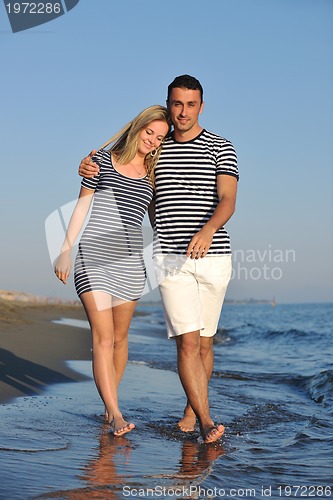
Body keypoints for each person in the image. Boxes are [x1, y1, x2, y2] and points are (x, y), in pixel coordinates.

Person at [78, 75, 239, 444]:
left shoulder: (221, 146)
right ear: (169, 104)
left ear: (201, 106)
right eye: (177, 104)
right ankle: (205, 420)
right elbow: (119, 163)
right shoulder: (156, 149)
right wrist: (88, 167)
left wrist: (208, 230)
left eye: (191, 104)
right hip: (170, 258)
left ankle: (191, 408)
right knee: (186, 341)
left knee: (204, 343)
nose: (183, 112)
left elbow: (228, 200)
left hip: (215, 256)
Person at [54, 105, 170, 437]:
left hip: (132, 265)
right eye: (149, 132)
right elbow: (82, 205)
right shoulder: (101, 160)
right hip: (94, 258)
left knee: (120, 340)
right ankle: (117, 414)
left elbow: (157, 217)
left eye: (159, 137)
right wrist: (65, 250)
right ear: (137, 128)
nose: (152, 141)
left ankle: (109, 404)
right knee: (103, 338)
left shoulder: (153, 170)